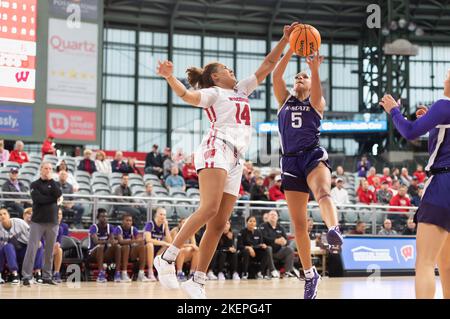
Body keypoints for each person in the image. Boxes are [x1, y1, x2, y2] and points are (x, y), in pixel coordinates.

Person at [152, 22, 299, 299]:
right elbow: (187, 95)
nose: (232, 72)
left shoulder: (242, 90)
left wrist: (286, 40)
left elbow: (268, 65)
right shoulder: (214, 93)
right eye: (227, 70)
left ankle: (197, 280)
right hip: (216, 147)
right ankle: (167, 256)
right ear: (216, 78)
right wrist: (170, 78)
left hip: (235, 158)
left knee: (219, 224)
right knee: (208, 208)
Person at [272, 45, 343, 299]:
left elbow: (316, 92)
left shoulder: (317, 101)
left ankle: (334, 229)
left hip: (312, 155)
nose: (299, 78)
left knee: (323, 191)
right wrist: (291, 47)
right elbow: (275, 77)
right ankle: (311, 275)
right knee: (299, 225)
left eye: (304, 77)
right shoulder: (284, 100)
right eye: (297, 77)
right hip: (290, 162)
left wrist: (313, 69)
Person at [381, 83, 450, 298]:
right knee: (447, 265)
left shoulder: (444, 105)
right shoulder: (441, 111)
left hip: (443, 183)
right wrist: (431, 119)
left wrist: (393, 110)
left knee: (425, 263)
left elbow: (409, 131)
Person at [21, 162, 62, 286]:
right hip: (37, 222)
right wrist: (53, 199)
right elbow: (38, 199)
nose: (48, 170)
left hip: (53, 222)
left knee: (49, 251)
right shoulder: (34, 184)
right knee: (32, 249)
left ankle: (47, 277)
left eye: (50, 169)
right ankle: (26, 276)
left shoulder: (55, 184)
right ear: (41, 170)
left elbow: (58, 194)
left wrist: (52, 182)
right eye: (46, 168)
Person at [0, 208, 42, 284]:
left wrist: (36, 242)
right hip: (10, 254)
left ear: (9, 215)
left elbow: (33, 235)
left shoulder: (19, 222)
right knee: (7, 246)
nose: (2, 216)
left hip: (25, 250)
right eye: (0, 215)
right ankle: (15, 274)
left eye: (4, 214)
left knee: (39, 244)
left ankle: (37, 273)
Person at [87, 208, 121, 283]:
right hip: (93, 252)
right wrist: (107, 241)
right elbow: (96, 241)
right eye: (102, 216)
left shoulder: (110, 227)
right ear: (98, 218)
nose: (105, 218)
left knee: (117, 247)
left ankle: (117, 273)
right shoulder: (94, 227)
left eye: (106, 216)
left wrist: (113, 242)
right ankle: (100, 274)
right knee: (100, 246)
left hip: (105, 252)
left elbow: (111, 241)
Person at [260, 210, 296, 278]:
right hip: (266, 251)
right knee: (269, 248)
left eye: (275, 215)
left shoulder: (281, 228)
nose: (273, 216)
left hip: (278, 251)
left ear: (277, 217)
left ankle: (288, 271)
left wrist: (285, 242)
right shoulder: (263, 226)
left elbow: (287, 240)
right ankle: (272, 270)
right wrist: (275, 240)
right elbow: (263, 238)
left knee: (289, 249)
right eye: (271, 214)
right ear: (268, 217)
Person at [114, 214, 149, 282]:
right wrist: (133, 241)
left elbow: (139, 240)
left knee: (143, 247)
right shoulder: (118, 228)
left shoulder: (133, 229)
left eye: (130, 220)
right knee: (126, 246)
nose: (128, 222)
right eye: (127, 220)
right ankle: (124, 273)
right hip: (120, 254)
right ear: (122, 221)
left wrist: (138, 241)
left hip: (131, 253)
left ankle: (141, 274)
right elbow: (121, 241)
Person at [237, 216, 271, 280]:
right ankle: (244, 273)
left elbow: (260, 243)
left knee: (266, 250)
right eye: (250, 221)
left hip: (256, 252)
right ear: (247, 222)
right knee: (246, 251)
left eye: (254, 221)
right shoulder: (242, 232)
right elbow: (239, 246)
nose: (252, 223)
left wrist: (263, 245)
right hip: (244, 252)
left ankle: (261, 272)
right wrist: (249, 248)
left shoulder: (258, 232)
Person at [143, 207, 172, 282]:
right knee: (150, 244)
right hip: (146, 251)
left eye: (164, 215)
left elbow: (169, 241)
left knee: (168, 247)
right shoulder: (150, 224)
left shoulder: (163, 225)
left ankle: (161, 272)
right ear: (156, 215)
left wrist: (166, 227)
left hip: (157, 251)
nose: (163, 216)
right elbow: (148, 239)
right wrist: (162, 242)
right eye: (161, 214)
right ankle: (150, 271)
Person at [52, 209, 66, 283]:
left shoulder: (60, 228)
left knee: (59, 250)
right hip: (43, 248)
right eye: (57, 213)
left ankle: (56, 273)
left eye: (60, 214)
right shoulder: (46, 226)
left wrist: (56, 246)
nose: (58, 215)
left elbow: (59, 242)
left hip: (53, 249)